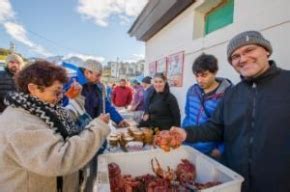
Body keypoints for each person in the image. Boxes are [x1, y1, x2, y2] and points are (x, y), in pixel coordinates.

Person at [172, 31, 290, 192]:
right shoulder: (232, 94)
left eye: (249, 50)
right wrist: (185, 133)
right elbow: (215, 127)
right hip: (235, 180)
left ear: (266, 50)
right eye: (235, 56)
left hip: (279, 183)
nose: (242, 58)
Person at [0, 60, 110, 192]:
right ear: (33, 89)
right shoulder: (19, 124)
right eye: (56, 92)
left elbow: (67, 116)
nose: (59, 97)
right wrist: (98, 128)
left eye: (61, 91)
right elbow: (60, 159)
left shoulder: (39, 109)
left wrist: (76, 98)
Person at [182, 54, 232, 159]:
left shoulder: (229, 94)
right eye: (197, 76)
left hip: (209, 151)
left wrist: (221, 149)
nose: (200, 80)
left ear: (214, 72)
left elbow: (231, 127)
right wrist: (183, 134)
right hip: (188, 145)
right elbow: (187, 115)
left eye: (204, 75)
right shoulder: (192, 90)